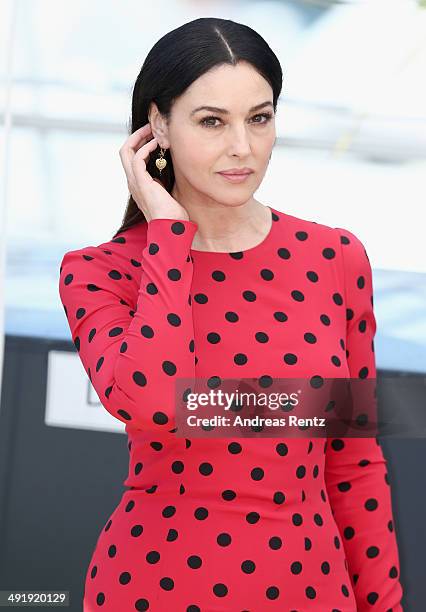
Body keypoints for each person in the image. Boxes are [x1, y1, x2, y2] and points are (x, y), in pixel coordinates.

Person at [58, 17, 404, 611]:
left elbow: (353, 467)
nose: (242, 146)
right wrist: (168, 232)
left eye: (259, 118)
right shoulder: (100, 271)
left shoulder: (334, 257)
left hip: (311, 588)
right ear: (158, 125)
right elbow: (156, 405)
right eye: (212, 121)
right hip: (154, 585)